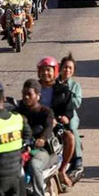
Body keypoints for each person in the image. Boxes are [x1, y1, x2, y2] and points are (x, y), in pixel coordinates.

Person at [16, 79, 56, 196]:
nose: (26, 97)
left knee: (34, 165)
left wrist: (43, 138)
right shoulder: (17, 112)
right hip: (21, 148)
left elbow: (49, 127)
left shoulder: (46, 112)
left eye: (29, 94)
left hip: (41, 151)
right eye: (24, 94)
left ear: (38, 95)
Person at [36, 58, 76, 187]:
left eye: (48, 70)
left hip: (55, 125)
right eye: (42, 70)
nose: (45, 73)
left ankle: (62, 170)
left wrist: (65, 117)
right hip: (36, 125)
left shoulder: (63, 90)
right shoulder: (33, 88)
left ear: (55, 72)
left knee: (70, 137)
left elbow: (69, 109)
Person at [59, 54, 84, 180]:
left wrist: (66, 97)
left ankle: (78, 159)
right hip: (54, 113)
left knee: (72, 129)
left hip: (70, 114)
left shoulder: (75, 86)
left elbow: (77, 103)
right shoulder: (54, 83)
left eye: (70, 68)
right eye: (65, 67)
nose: (67, 70)